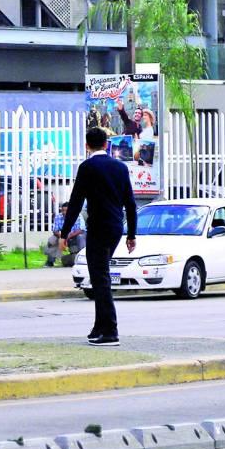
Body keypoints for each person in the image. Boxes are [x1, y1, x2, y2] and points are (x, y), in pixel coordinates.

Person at [60, 127, 137, 346]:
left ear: (87, 146)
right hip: (115, 228)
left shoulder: (87, 167)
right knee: (98, 275)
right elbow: (130, 203)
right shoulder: (120, 167)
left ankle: (110, 331)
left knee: (100, 277)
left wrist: (64, 233)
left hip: (98, 228)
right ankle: (99, 327)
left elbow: (75, 202)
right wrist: (131, 234)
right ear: (106, 144)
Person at [45, 201, 85, 267]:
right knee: (52, 239)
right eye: (62, 210)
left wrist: (68, 237)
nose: (64, 212)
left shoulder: (78, 216)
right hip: (63, 236)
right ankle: (50, 261)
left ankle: (82, 258)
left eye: (66, 210)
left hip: (74, 236)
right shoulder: (58, 217)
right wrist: (62, 237)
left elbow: (81, 230)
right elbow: (55, 231)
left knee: (80, 237)